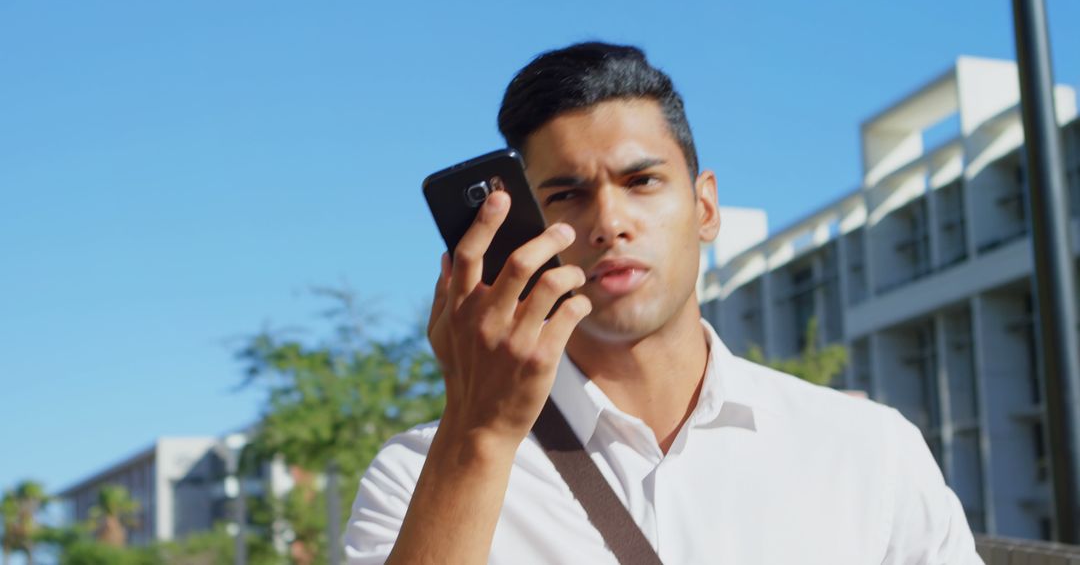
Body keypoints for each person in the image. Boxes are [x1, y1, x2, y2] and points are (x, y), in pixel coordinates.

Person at [344, 42, 981, 564]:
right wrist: (478, 436)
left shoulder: (868, 453)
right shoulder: (418, 475)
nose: (609, 222)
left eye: (641, 181)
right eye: (565, 195)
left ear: (705, 207)